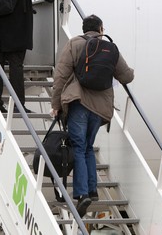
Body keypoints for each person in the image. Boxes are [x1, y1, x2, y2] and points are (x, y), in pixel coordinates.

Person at [51, 15, 134, 217]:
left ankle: (82, 193)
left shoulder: (75, 44)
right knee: (87, 147)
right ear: (101, 29)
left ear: (84, 28)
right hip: (100, 108)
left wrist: (55, 104)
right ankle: (92, 189)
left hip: (79, 104)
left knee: (79, 147)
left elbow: (61, 75)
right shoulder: (109, 48)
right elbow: (127, 76)